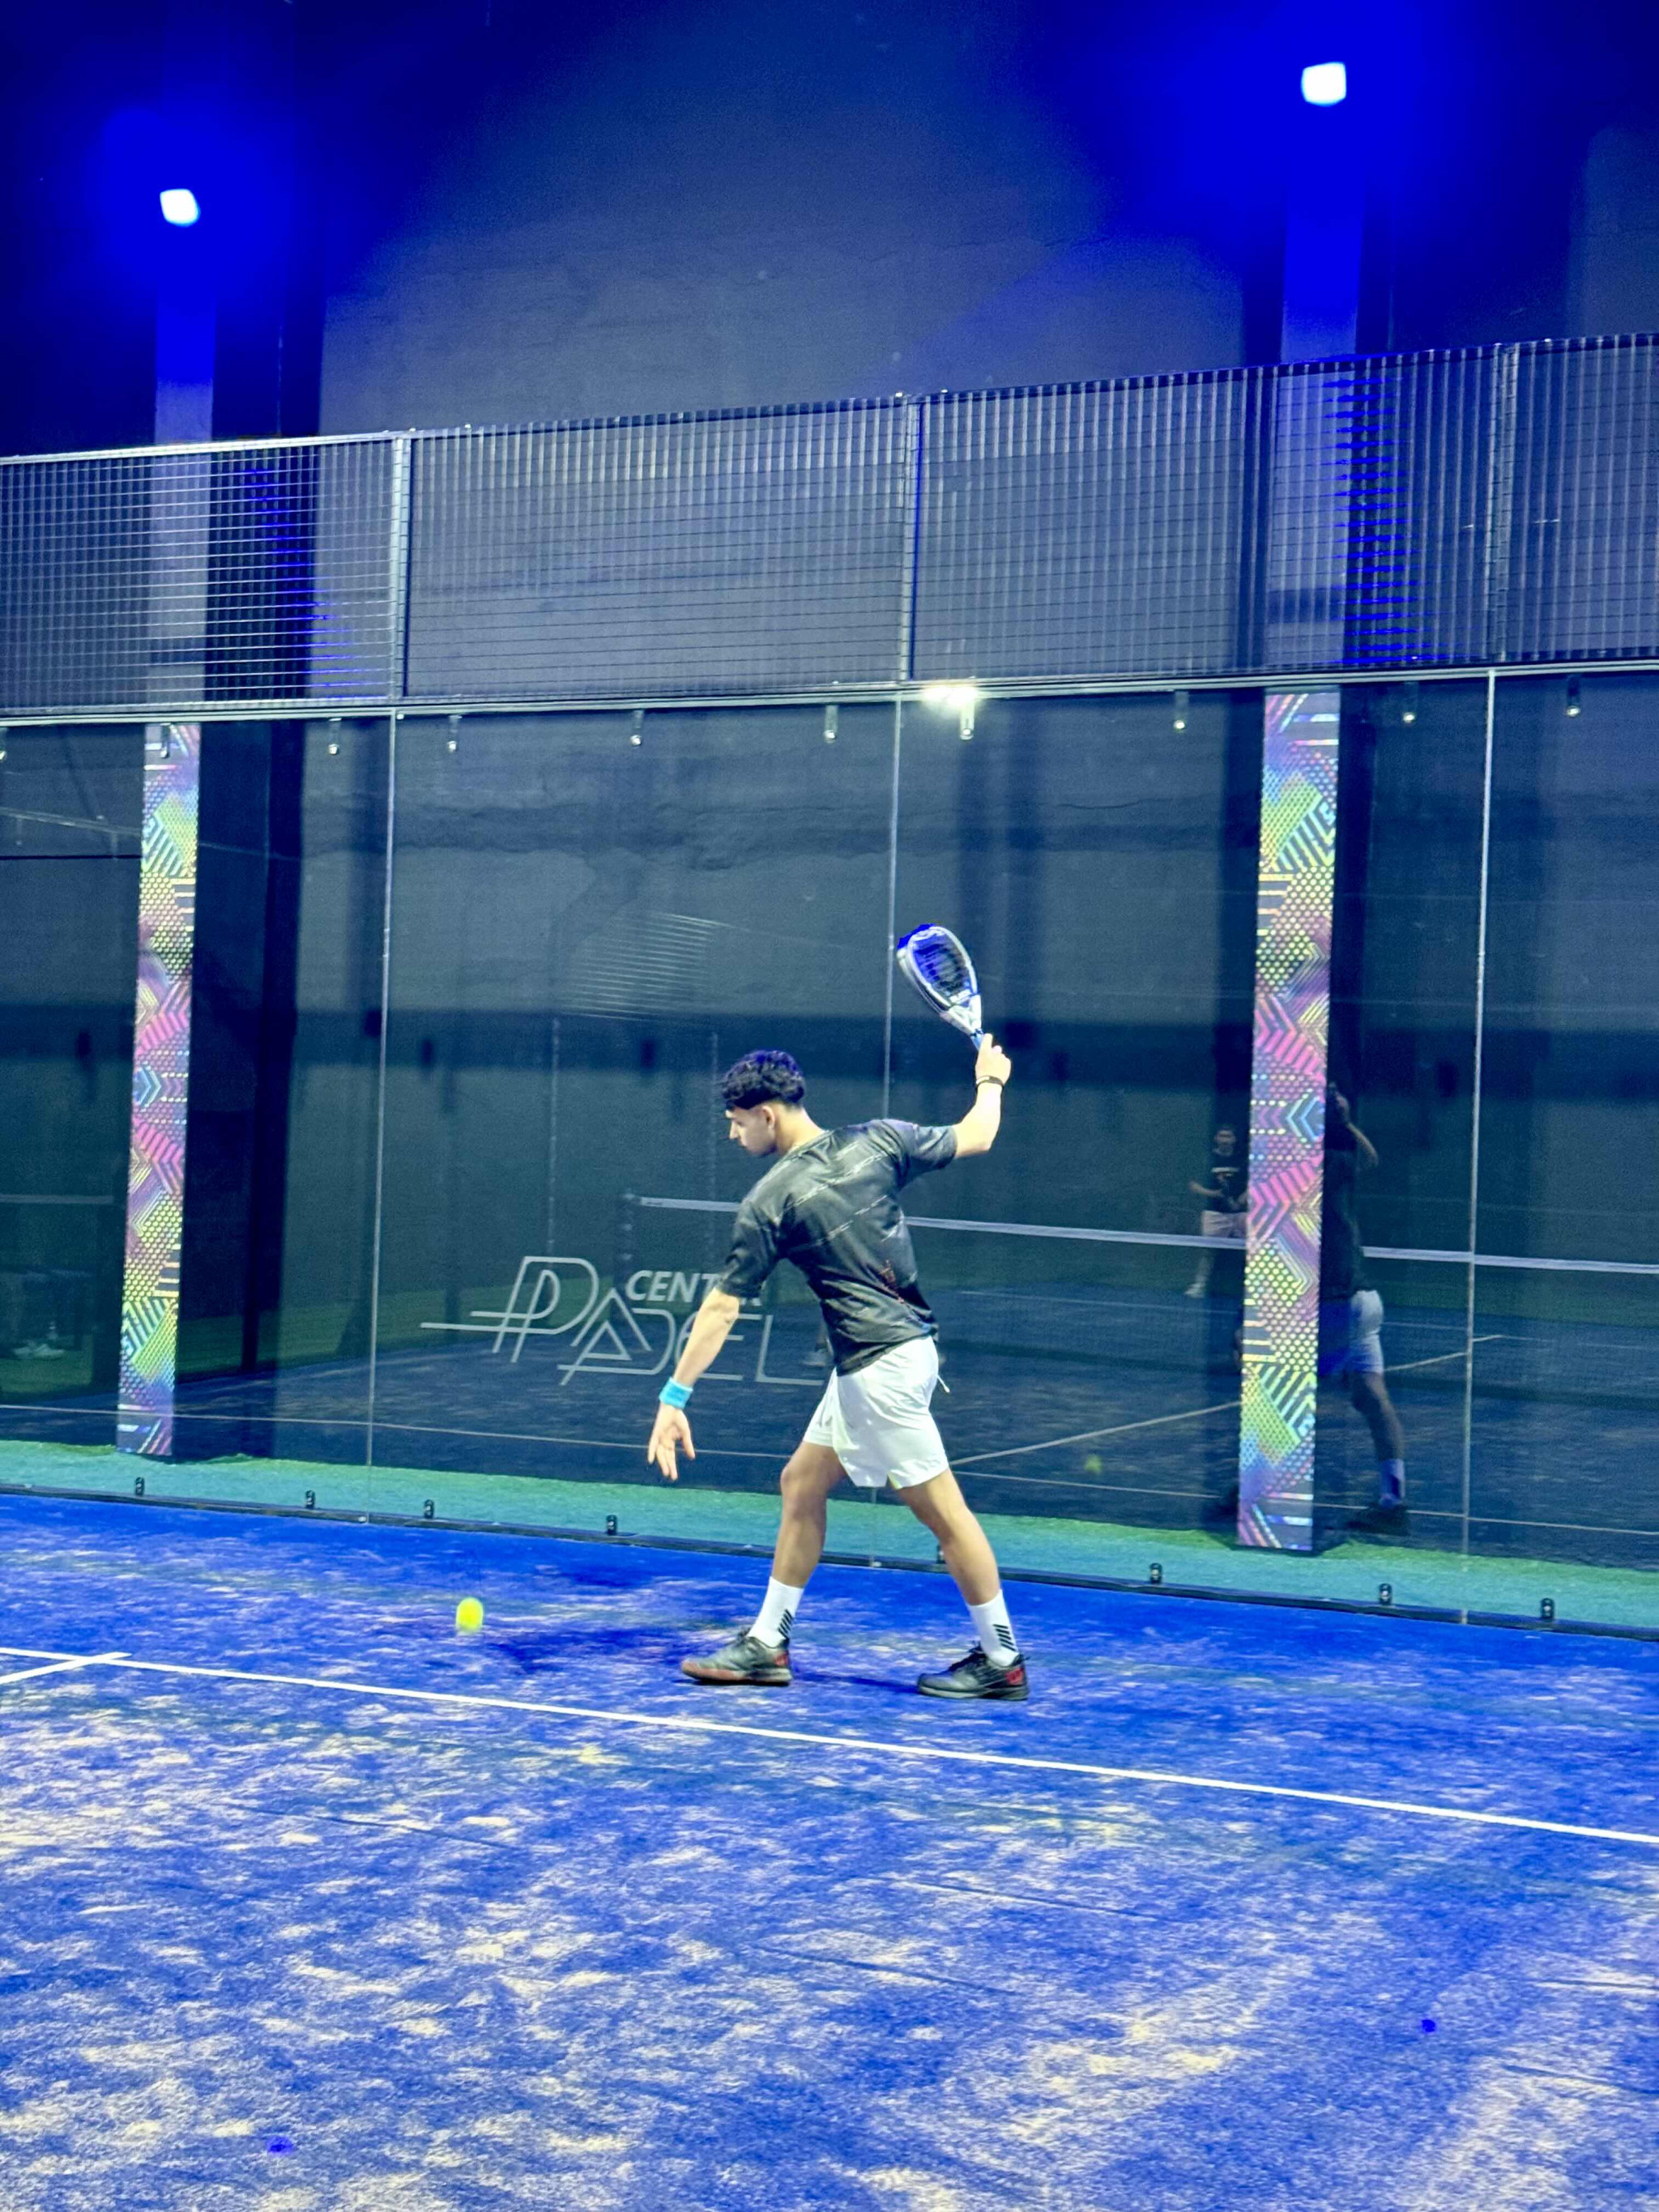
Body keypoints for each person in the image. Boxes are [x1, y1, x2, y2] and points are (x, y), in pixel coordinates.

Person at [646, 1042, 1028, 1700]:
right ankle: (767, 1643)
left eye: (737, 1122)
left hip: (879, 1373)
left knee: (946, 1516)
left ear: (767, 1114)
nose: (734, 1134)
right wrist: (990, 1080)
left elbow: (721, 1308)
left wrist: (673, 1396)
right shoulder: (880, 1140)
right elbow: (978, 1133)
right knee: (802, 1481)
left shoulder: (771, 1200)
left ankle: (1003, 1659)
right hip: (901, 1355)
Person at [1321, 1086, 1409, 1531]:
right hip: (1366, 1303)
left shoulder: (1314, 1167)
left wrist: (1338, 1120)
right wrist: (1346, 1120)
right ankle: (1394, 1501)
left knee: (1274, 1387)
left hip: (1335, 1303)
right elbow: (1371, 1158)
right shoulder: (1342, 1163)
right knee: (1372, 1397)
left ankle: (1254, 1487)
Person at [1183, 1123, 1247, 1297]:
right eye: (1222, 1136)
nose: (1225, 1140)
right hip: (1214, 1213)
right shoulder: (1207, 1159)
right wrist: (1214, 1194)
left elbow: (1253, 1183)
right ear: (1216, 1139)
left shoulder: (1242, 1159)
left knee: (1251, 1250)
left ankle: (1252, 1288)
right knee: (1208, 1251)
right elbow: (1193, 1185)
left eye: (1228, 1136)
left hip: (1241, 1214)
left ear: (1234, 1140)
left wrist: (1240, 1201)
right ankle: (1200, 1285)